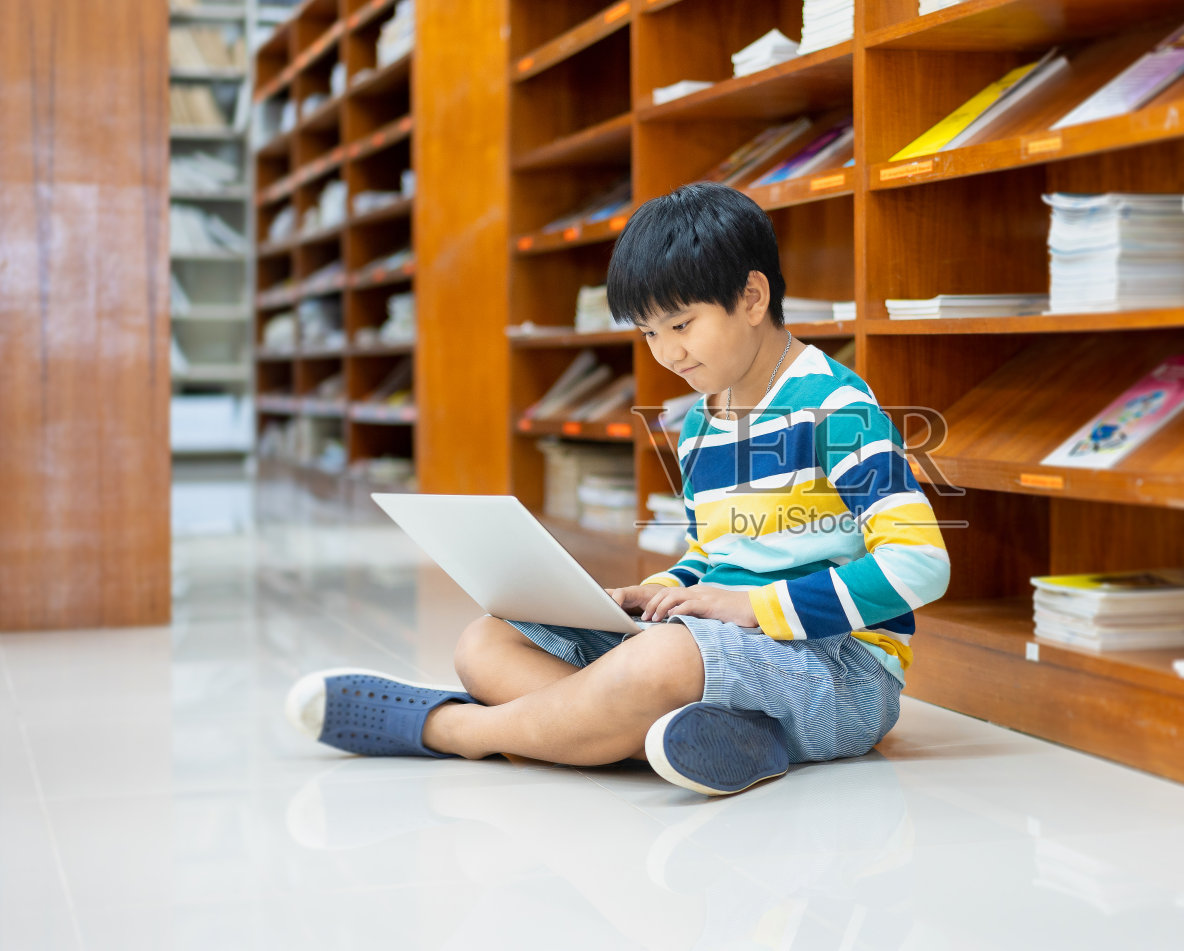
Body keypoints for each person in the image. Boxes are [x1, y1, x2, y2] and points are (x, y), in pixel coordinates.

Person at [285, 182, 950, 795]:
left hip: (842, 671)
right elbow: (714, 560)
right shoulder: (699, 426)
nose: (666, 352)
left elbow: (919, 565)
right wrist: (662, 589)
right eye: (648, 332)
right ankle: (720, 738)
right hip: (720, 646)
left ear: (752, 298)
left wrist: (757, 606)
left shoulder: (836, 408)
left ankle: (455, 730)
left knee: (656, 662)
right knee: (486, 642)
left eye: (681, 325)